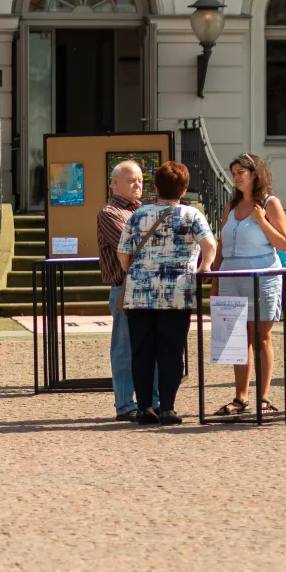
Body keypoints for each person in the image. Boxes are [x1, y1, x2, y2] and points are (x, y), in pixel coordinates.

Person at [118, 161, 217, 425]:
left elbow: (123, 254)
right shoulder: (192, 215)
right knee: (171, 351)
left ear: (155, 187)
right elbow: (209, 244)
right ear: (184, 189)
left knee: (141, 352)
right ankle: (168, 408)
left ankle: (143, 408)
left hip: (140, 295)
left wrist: (137, 272)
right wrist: (204, 267)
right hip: (176, 294)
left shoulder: (139, 215)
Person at [210, 153, 286, 416]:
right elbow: (222, 244)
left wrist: (261, 220)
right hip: (231, 276)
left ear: (254, 174)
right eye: (233, 172)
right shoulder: (232, 204)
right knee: (237, 338)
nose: (235, 176)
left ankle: (264, 398)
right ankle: (241, 397)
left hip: (261, 275)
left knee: (261, 336)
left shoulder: (270, 203)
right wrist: (215, 278)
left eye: (240, 171)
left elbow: (283, 243)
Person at [98, 160, 153, 421]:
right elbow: (132, 245)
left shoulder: (144, 211)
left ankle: (151, 401)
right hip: (123, 288)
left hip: (148, 286)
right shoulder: (109, 213)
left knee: (150, 345)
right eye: (132, 180)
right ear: (115, 183)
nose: (138, 185)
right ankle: (124, 404)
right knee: (124, 347)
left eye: (141, 180)